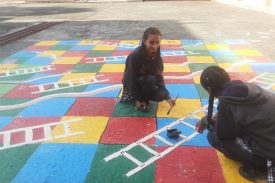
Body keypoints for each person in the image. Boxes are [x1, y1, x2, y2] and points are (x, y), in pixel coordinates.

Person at [195, 66, 275, 182]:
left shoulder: (227, 102)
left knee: (213, 137)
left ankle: (261, 168)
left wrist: (206, 120)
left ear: (208, 89)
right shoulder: (249, 87)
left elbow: (223, 134)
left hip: (271, 153)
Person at [121, 27, 176, 112]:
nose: (154, 46)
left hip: (146, 84)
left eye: (157, 43)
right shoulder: (135, 56)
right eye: (151, 42)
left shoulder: (157, 57)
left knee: (161, 96)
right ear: (144, 41)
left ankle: (144, 97)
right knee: (150, 79)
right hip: (132, 87)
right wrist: (138, 99)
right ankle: (140, 100)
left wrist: (167, 97)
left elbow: (159, 78)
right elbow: (130, 80)